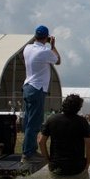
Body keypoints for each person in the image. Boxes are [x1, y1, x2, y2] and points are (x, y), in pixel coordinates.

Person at [38, 93, 90, 179]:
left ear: (63, 104)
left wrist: (48, 159)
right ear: (78, 108)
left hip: (57, 166)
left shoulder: (52, 120)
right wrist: (87, 163)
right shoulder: (82, 122)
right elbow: (89, 145)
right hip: (77, 168)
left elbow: (41, 141)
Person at [21, 25, 61, 165]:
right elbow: (58, 60)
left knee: (28, 121)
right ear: (47, 37)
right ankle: (28, 153)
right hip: (37, 88)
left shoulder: (27, 48)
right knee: (34, 122)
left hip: (28, 86)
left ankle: (27, 150)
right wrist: (53, 45)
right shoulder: (45, 51)